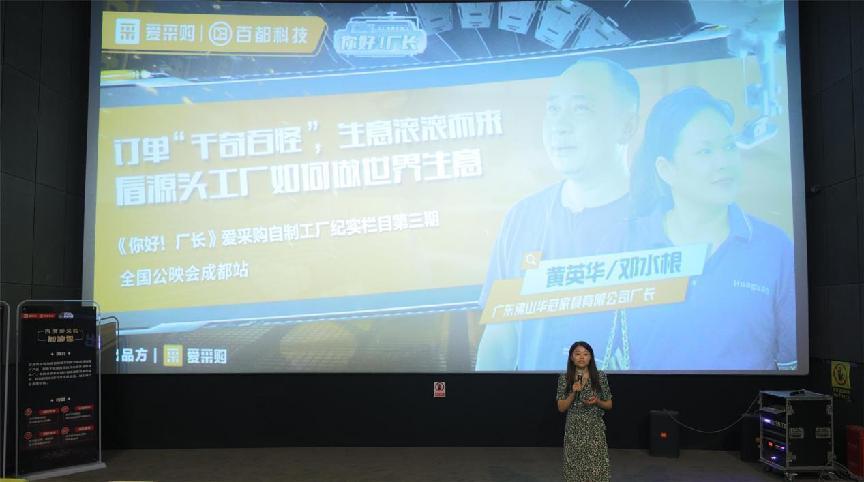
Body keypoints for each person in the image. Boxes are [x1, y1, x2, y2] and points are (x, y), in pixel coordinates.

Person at [476, 57, 640, 371]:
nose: (559, 125)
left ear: (627, 126)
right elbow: (499, 341)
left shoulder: (660, 219)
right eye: (553, 109)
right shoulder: (523, 217)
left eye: (581, 108)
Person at [625, 87, 796, 370]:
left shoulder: (774, 247)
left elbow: (791, 363)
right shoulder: (627, 244)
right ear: (666, 169)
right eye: (705, 151)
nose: (724, 163)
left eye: (729, 147)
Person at [556, 341, 613, 482]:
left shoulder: (600, 377)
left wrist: (597, 401)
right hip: (574, 430)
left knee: (596, 470)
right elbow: (561, 407)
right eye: (577, 354)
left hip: (594, 429)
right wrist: (573, 393)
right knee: (574, 471)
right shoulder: (564, 378)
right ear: (571, 357)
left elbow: (609, 404)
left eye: (586, 354)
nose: (582, 357)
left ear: (590, 357)